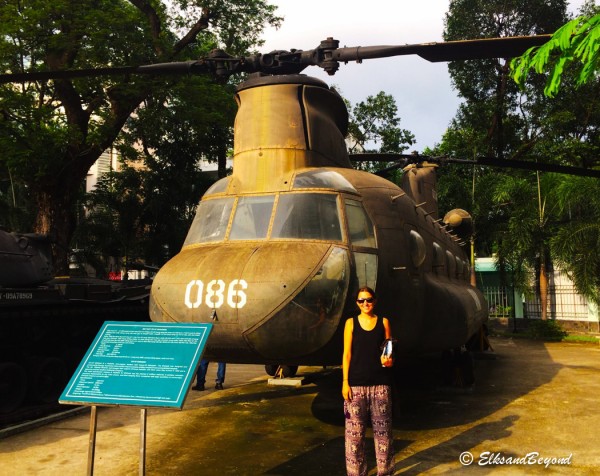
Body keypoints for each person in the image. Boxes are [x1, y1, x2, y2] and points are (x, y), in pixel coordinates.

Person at [342, 286, 394, 476]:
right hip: (355, 386)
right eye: (361, 301)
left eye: (369, 300)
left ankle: (385, 472)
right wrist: (345, 382)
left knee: (383, 436)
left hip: (380, 385)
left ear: (375, 300)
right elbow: (346, 354)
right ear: (357, 303)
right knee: (354, 439)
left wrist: (388, 360)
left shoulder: (384, 322)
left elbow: (389, 350)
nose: (365, 304)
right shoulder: (350, 323)